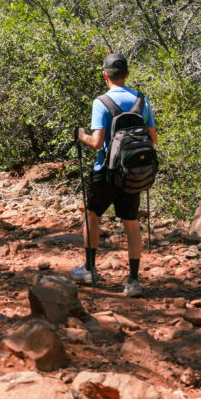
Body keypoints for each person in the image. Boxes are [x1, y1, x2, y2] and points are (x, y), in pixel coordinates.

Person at [71, 51, 157, 295]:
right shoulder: (142, 100)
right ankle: (133, 281)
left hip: (106, 171)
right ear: (127, 74)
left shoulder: (101, 102)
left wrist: (80, 135)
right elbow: (153, 139)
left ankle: (89, 269)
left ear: (104, 76)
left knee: (91, 214)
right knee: (131, 223)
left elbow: (98, 143)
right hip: (132, 172)